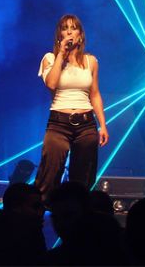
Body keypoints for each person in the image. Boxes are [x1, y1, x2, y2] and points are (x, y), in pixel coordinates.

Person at [35, 14, 109, 202]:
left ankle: (79, 213)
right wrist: (61, 53)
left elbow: (95, 94)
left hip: (86, 124)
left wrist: (103, 125)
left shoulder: (91, 61)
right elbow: (51, 84)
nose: (69, 32)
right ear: (59, 35)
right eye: (64, 28)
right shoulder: (50, 58)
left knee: (83, 178)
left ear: (80, 35)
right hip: (59, 123)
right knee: (49, 174)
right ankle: (40, 210)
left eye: (73, 28)